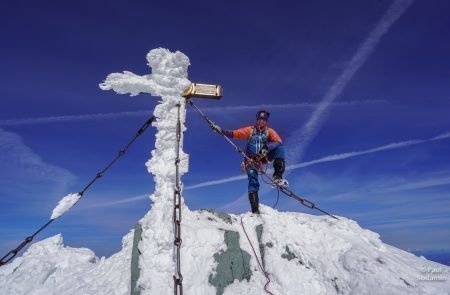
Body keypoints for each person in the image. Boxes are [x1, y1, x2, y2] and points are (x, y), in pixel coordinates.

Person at [214, 110, 286, 214]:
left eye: (263, 119)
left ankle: (277, 176)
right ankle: (255, 210)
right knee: (253, 182)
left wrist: (267, 147)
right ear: (257, 120)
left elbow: (278, 142)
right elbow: (236, 133)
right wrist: (221, 130)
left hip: (262, 158)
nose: (261, 121)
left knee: (280, 149)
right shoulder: (250, 130)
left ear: (266, 121)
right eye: (259, 119)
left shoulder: (269, 131)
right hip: (250, 160)